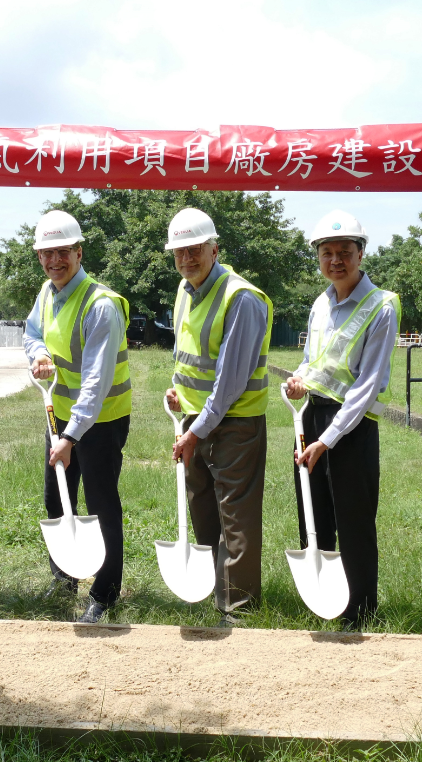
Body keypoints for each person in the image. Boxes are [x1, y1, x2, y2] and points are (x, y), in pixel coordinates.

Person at [284, 211, 400, 629]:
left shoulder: (382, 306)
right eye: (327, 253)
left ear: (360, 254)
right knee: (313, 514)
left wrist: (328, 440)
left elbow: (367, 385)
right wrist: (298, 380)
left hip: (350, 427)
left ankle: (359, 609)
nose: (336, 260)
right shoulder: (321, 302)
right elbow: (315, 361)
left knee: (353, 520)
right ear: (318, 257)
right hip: (310, 416)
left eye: (345, 252)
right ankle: (323, 600)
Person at [164, 207, 272, 626]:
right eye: (180, 252)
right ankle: (213, 591)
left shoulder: (240, 298)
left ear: (214, 248)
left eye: (195, 250)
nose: (187, 258)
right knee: (203, 507)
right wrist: (178, 389)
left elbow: (229, 382)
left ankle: (239, 609)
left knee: (236, 515)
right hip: (194, 419)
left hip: (234, 422)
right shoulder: (184, 288)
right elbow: (188, 353)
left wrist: (197, 429)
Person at [23, 210, 132, 624]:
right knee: (57, 499)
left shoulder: (100, 305)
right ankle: (65, 576)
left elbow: (96, 382)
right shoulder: (47, 294)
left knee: (102, 502)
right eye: (46, 254)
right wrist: (40, 355)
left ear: (79, 252)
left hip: (100, 420)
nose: (54, 261)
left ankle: (105, 593)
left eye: (62, 252)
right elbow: (31, 333)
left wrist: (71, 437)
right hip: (60, 417)